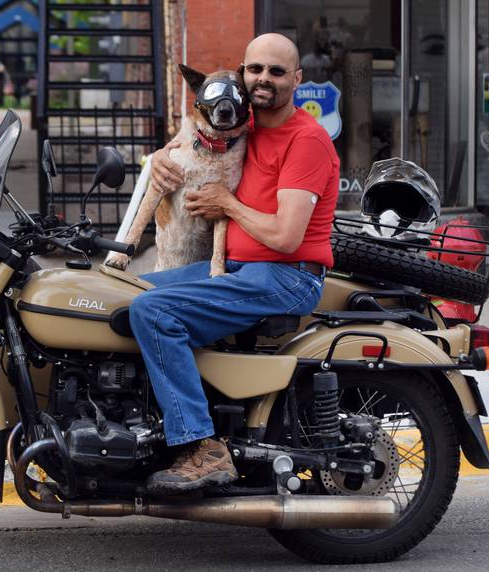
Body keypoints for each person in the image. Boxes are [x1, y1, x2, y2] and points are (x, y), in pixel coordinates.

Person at [129, 33, 340, 494]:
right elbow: (193, 139)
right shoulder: (247, 126)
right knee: (127, 296)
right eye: (256, 70)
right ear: (242, 76)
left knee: (153, 312)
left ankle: (203, 448)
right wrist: (161, 158)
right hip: (243, 270)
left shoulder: (306, 140)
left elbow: (286, 238)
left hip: (285, 275)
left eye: (277, 72)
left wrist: (227, 203)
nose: (264, 79)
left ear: (297, 81)